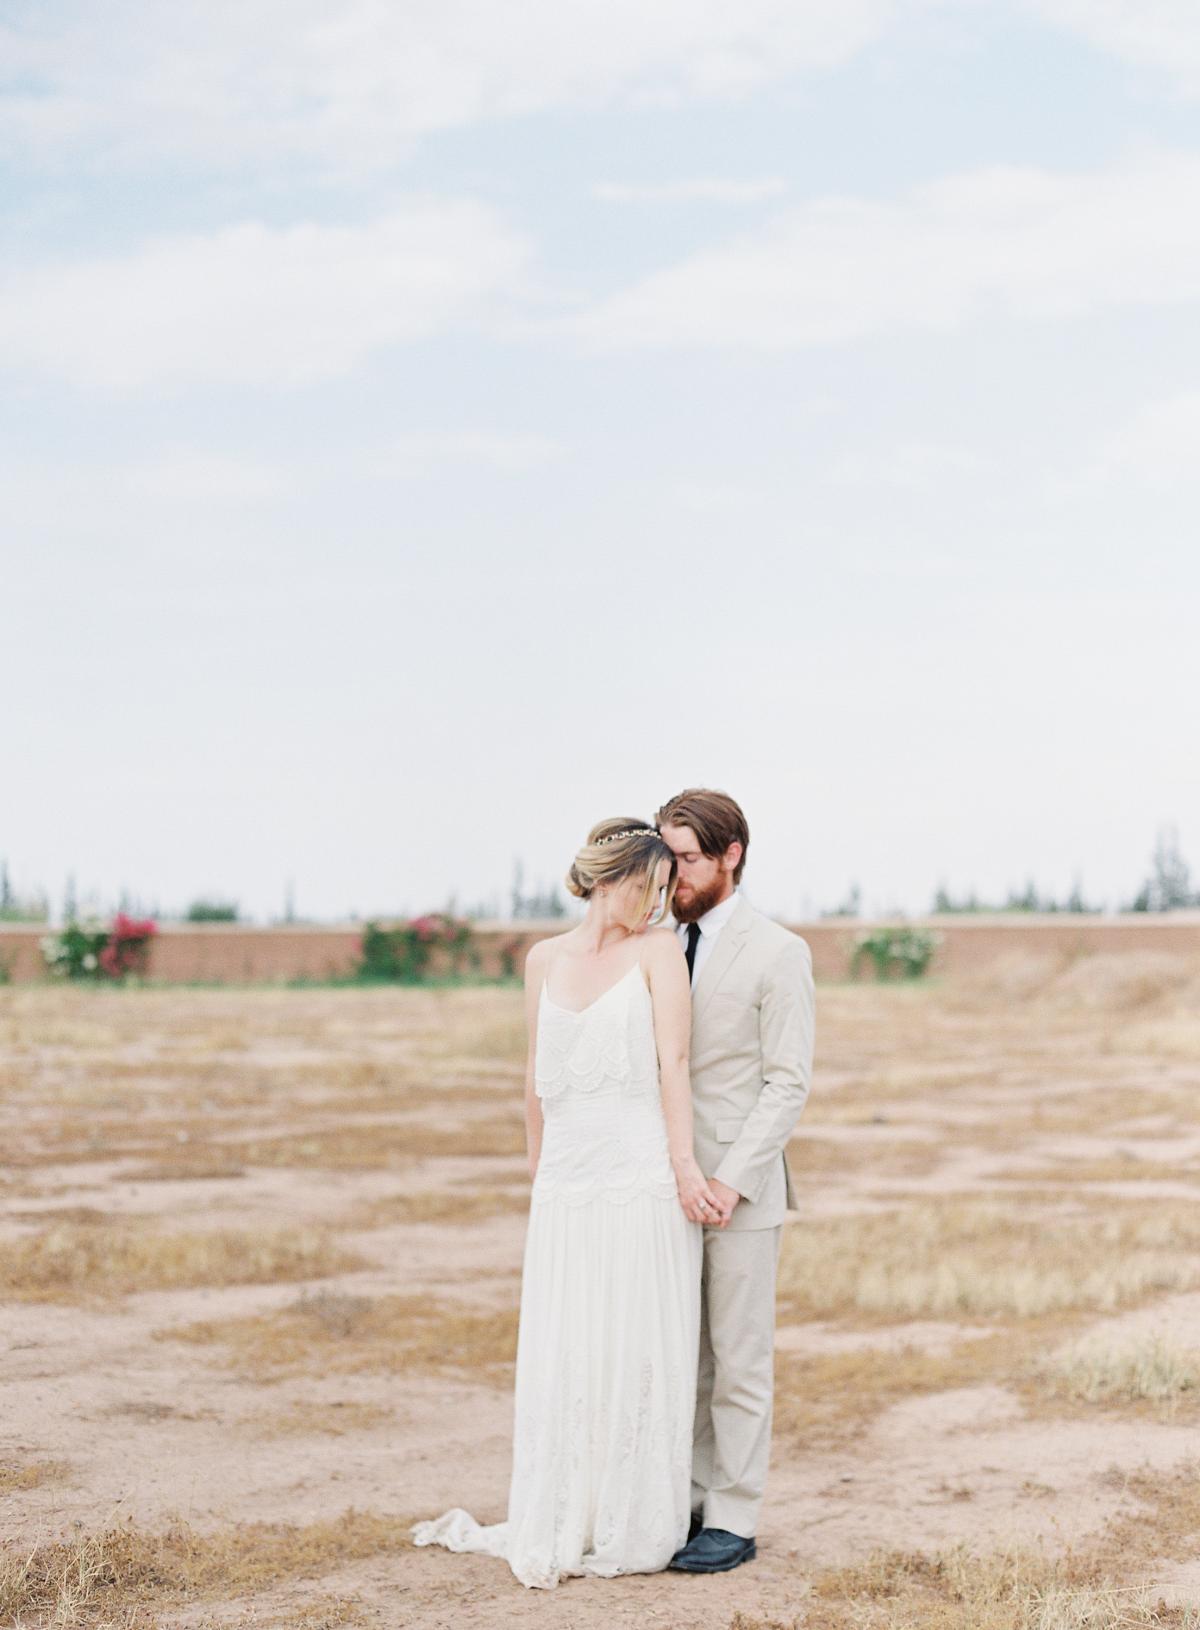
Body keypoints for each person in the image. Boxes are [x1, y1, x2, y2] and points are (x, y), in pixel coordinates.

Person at [411, 819, 719, 1589]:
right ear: (611, 879)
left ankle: (628, 1514)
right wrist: (538, 1171)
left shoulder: (658, 954)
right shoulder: (542, 959)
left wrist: (684, 1167)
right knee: (570, 1345)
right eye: (650, 886)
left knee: (633, 1342)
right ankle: (564, 1509)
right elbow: (533, 1076)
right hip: (568, 1184)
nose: (659, 902)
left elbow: (673, 1065)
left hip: (641, 1176)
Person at [655, 788, 816, 1575]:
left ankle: (734, 1515)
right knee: (683, 1355)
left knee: (739, 1355)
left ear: (731, 855)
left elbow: (787, 1083)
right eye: (668, 857)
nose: (674, 874)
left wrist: (731, 1180)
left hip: (741, 1192)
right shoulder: (654, 940)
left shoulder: (779, 952)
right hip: (659, 1182)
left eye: (686, 858)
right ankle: (684, 1500)